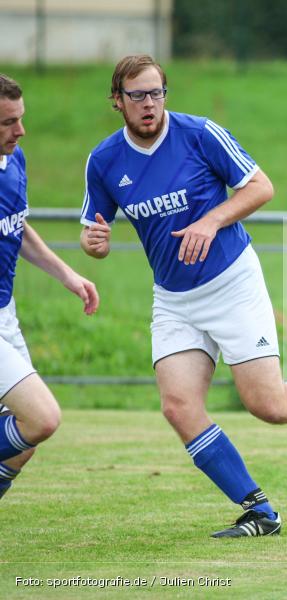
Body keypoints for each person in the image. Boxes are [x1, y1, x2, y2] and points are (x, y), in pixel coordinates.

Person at [79, 55, 287, 538]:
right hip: (174, 299)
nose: (149, 104)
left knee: (269, 405)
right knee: (178, 407)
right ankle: (260, 511)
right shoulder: (104, 160)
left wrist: (211, 220)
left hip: (232, 285)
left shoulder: (200, 134)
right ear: (117, 100)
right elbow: (92, 233)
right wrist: (93, 244)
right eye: (137, 95)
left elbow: (261, 187)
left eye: (157, 92)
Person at [0, 74, 100, 500]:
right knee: (41, 418)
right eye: (8, 122)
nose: (20, 131)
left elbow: (16, 227)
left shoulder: (14, 161)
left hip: (6, 314)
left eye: (20, 118)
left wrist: (67, 275)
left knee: (23, 442)